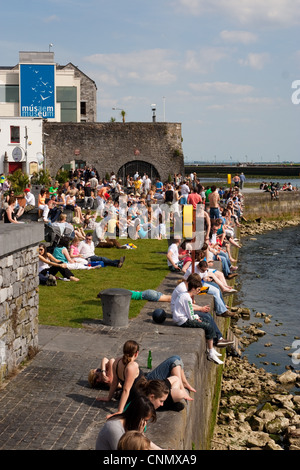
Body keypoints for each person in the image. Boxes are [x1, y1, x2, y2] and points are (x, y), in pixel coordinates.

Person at [97, 340, 195, 417]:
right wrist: (120, 411)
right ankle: (170, 399)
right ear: (136, 353)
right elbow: (126, 390)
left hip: (144, 388)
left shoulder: (117, 361)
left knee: (176, 378)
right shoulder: (132, 366)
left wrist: (109, 397)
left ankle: (173, 396)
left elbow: (115, 382)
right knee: (175, 364)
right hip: (144, 392)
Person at [172, 275, 225, 364]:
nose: (199, 291)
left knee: (207, 322)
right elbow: (190, 315)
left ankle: (211, 349)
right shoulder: (187, 298)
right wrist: (197, 318)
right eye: (198, 290)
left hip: (182, 318)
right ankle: (211, 352)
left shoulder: (184, 295)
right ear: (193, 289)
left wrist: (196, 316)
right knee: (207, 325)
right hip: (182, 321)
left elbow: (189, 311)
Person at [95, 395, 161, 450]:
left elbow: (146, 443)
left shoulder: (130, 424)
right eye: (145, 420)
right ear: (137, 417)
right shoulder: (114, 428)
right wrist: (139, 434)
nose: (145, 424)